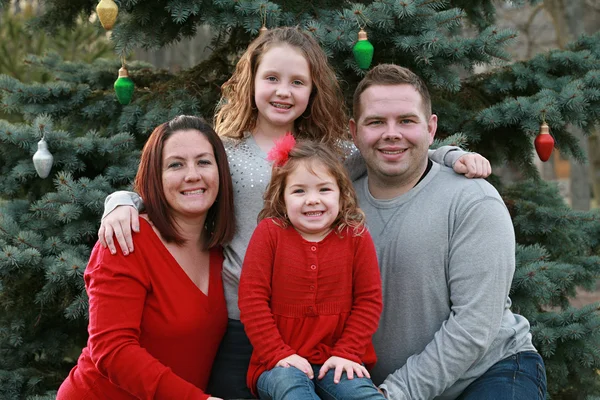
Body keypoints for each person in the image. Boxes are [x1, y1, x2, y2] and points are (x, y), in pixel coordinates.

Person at [97, 27, 491, 398]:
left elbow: (389, 150)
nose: (283, 92)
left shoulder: (329, 152)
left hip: (319, 329)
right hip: (241, 322)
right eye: (271, 79)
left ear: (312, 89)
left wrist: (449, 154)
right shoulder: (224, 149)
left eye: (297, 82)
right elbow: (179, 184)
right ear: (251, 81)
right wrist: (121, 202)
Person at [349, 64, 547, 399]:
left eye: (407, 121)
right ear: (354, 132)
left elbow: (474, 326)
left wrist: (396, 393)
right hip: (378, 384)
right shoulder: (333, 201)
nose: (391, 133)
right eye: (376, 122)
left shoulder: (472, 200)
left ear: (431, 128)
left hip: (488, 372)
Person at [57, 116, 235, 400]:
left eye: (203, 162)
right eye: (176, 164)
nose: (192, 175)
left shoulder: (220, 249)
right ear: (156, 176)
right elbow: (112, 349)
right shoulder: (126, 238)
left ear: (220, 172)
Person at [238, 137, 384, 400]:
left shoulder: (354, 235)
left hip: (339, 357)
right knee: (294, 391)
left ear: (342, 192)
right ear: (281, 197)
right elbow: (252, 301)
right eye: (299, 191)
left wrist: (347, 352)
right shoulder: (270, 234)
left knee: (363, 395)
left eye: (324, 189)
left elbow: (369, 301)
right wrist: (277, 353)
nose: (312, 200)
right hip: (278, 361)